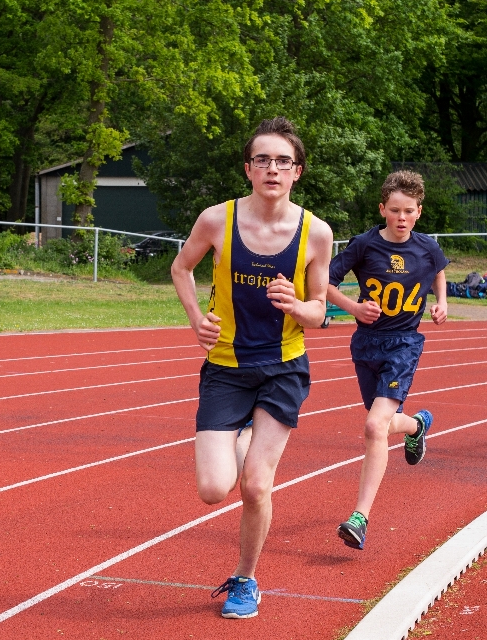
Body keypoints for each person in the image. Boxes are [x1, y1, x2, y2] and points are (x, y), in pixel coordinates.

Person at [170, 116, 333, 618]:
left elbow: (320, 310)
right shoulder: (216, 220)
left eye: (283, 161)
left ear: (297, 172)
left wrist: (295, 304)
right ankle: (245, 436)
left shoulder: (316, 232)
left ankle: (246, 580)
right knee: (213, 490)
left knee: (257, 484)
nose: (272, 168)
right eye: (262, 159)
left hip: (283, 367)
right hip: (225, 367)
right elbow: (181, 268)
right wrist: (198, 318)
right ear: (248, 168)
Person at [326, 170, 448, 551]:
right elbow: (323, 281)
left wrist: (442, 301)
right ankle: (415, 427)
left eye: (408, 211)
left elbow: (439, 270)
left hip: (404, 344)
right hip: (366, 343)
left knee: (374, 426)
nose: (400, 217)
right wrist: (352, 307)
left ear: (418, 213)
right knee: (383, 425)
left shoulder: (427, 248)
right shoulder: (363, 245)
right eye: (394, 210)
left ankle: (360, 517)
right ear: (382, 209)